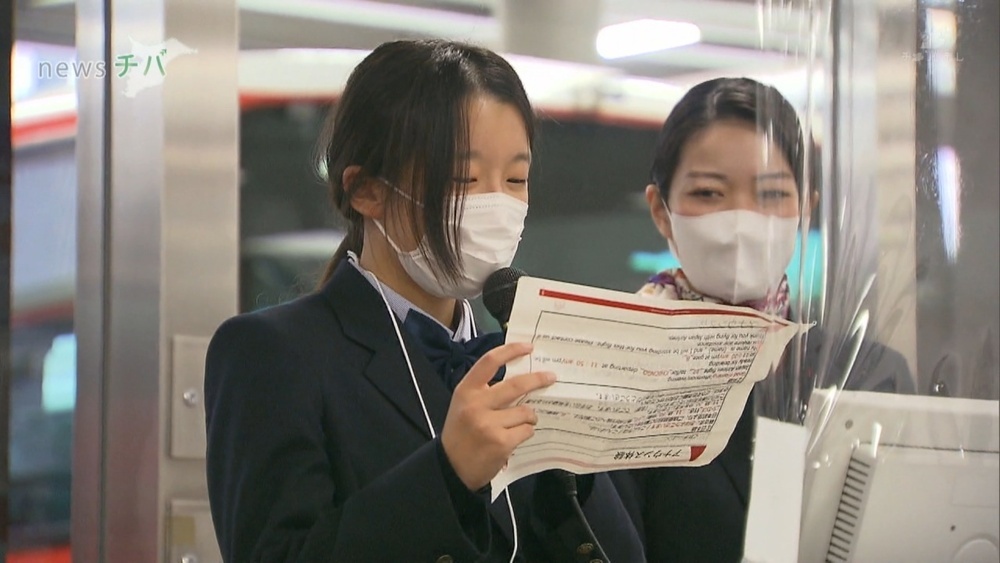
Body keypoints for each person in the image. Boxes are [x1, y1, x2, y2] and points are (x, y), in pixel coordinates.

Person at [204, 39, 644, 563]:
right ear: (367, 190)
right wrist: (448, 473)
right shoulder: (273, 353)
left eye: (515, 180)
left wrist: (578, 451)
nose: (496, 205)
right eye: (464, 178)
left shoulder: (513, 360)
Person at [615, 76, 915, 562]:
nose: (742, 220)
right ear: (661, 210)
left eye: (772, 195)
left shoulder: (868, 376)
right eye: (710, 193)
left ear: (806, 209)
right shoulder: (617, 371)